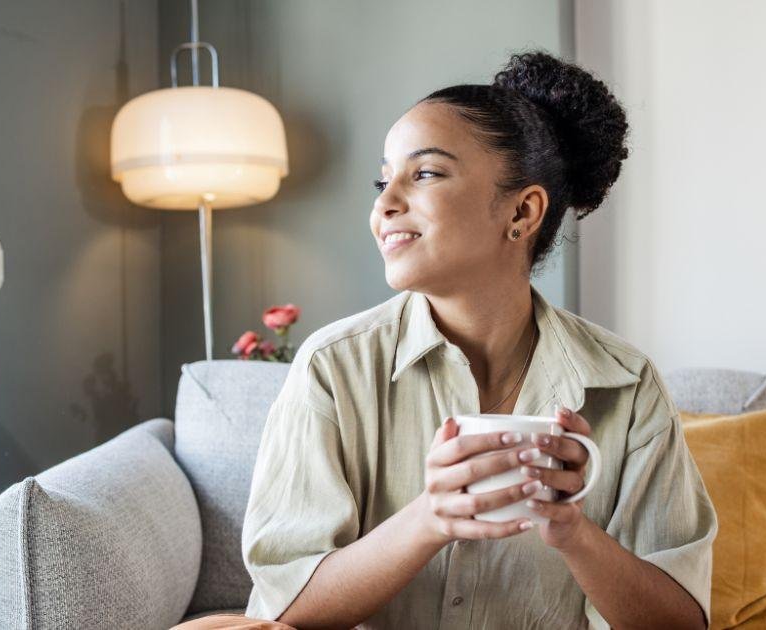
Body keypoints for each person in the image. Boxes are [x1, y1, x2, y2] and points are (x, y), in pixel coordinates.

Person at [177, 49, 717, 630]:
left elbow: (681, 622)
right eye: (383, 180)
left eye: (425, 173)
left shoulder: (628, 386)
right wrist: (430, 519)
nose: (384, 204)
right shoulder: (333, 368)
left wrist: (573, 533)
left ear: (523, 210)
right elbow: (285, 610)